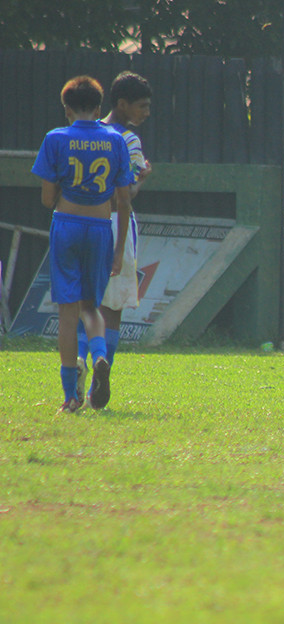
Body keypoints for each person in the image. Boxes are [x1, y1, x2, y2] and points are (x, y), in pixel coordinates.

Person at [31, 75, 134, 412]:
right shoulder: (116, 140)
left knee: (67, 312)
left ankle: (70, 396)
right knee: (92, 307)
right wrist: (118, 251)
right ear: (99, 106)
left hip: (67, 224)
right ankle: (101, 356)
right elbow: (124, 201)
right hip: (101, 226)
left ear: (67, 108)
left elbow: (47, 199)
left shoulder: (56, 138)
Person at [76, 71, 153, 403]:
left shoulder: (85, 134)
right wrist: (144, 176)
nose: (146, 113)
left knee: (85, 303)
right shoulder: (128, 141)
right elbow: (129, 192)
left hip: (80, 221)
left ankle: (79, 361)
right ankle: (102, 369)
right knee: (115, 306)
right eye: (142, 106)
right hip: (115, 224)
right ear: (123, 104)